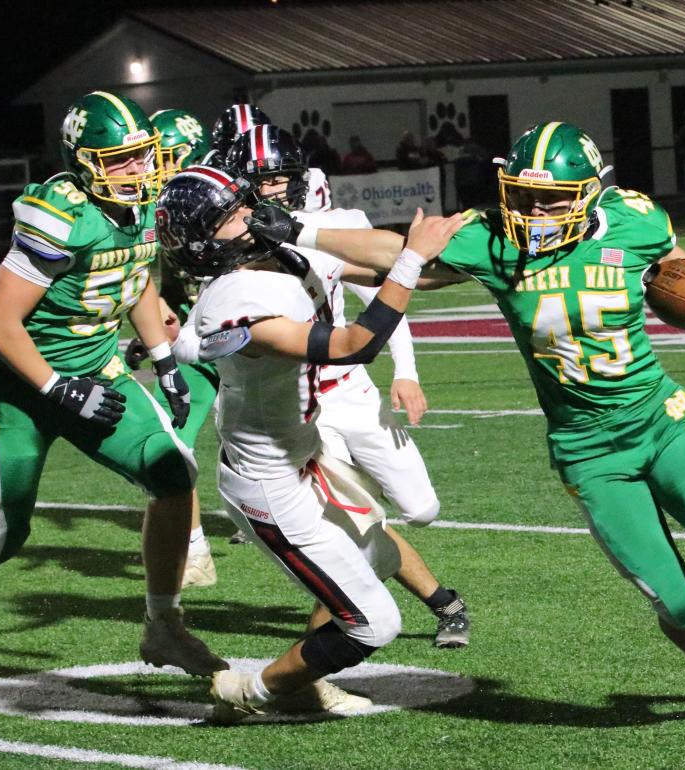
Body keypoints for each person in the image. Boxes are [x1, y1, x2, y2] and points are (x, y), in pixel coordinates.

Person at [252, 121, 685, 728]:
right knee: (667, 592)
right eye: (524, 195)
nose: (535, 211)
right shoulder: (492, 239)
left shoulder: (634, 218)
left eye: (552, 198)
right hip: (587, 450)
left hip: (659, 421)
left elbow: (675, 263)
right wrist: (297, 228)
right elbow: (390, 251)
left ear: (590, 192)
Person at [0, 91, 227, 678]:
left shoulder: (144, 205)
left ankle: (164, 626)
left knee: (174, 476)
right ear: (86, 162)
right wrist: (55, 389)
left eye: (141, 155)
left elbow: (135, 277)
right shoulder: (62, 214)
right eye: (118, 159)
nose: (136, 170)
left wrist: (164, 359)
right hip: (22, 390)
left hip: (100, 374)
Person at [155, 165, 462, 721]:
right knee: (376, 622)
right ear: (201, 242)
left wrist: (490, 261)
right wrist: (414, 259)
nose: (249, 215)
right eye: (229, 216)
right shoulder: (233, 299)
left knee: (376, 550)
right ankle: (251, 692)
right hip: (268, 485)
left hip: (304, 456)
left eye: (243, 203)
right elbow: (352, 343)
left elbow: (391, 259)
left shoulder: (277, 255)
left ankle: (302, 680)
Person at [227, 123, 471, 648]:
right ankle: (348, 638)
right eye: (261, 180)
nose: (274, 189)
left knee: (421, 509)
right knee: (351, 528)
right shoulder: (225, 248)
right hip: (299, 410)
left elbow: (393, 281)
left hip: (349, 386)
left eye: (282, 178)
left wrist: (478, 265)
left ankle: (418, 602)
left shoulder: (326, 229)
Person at [123, 108, 219, 589]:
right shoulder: (151, 206)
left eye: (155, 155)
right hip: (198, 347)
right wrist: (155, 332)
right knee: (169, 441)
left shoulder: (221, 201)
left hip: (248, 343)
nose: (146, 166)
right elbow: (167, 283)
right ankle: (196, 550)